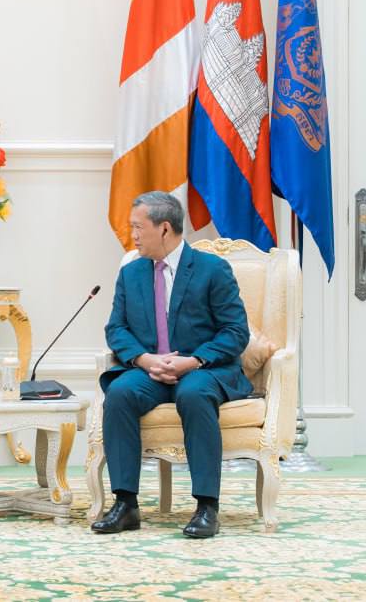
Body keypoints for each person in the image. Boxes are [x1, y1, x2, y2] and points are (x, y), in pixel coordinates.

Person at [92, 191, 251, 538]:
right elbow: (116, 329)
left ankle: (206, 507)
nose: (133, 235)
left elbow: (236, 331)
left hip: (202, 369)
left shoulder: (213, 270)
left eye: (138, 227)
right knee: (119, 393)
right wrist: (145, 359)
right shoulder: (131, 273)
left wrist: (192, 361)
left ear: (164, 228)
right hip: (149, 370)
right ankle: (125, 504)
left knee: (194, 394)